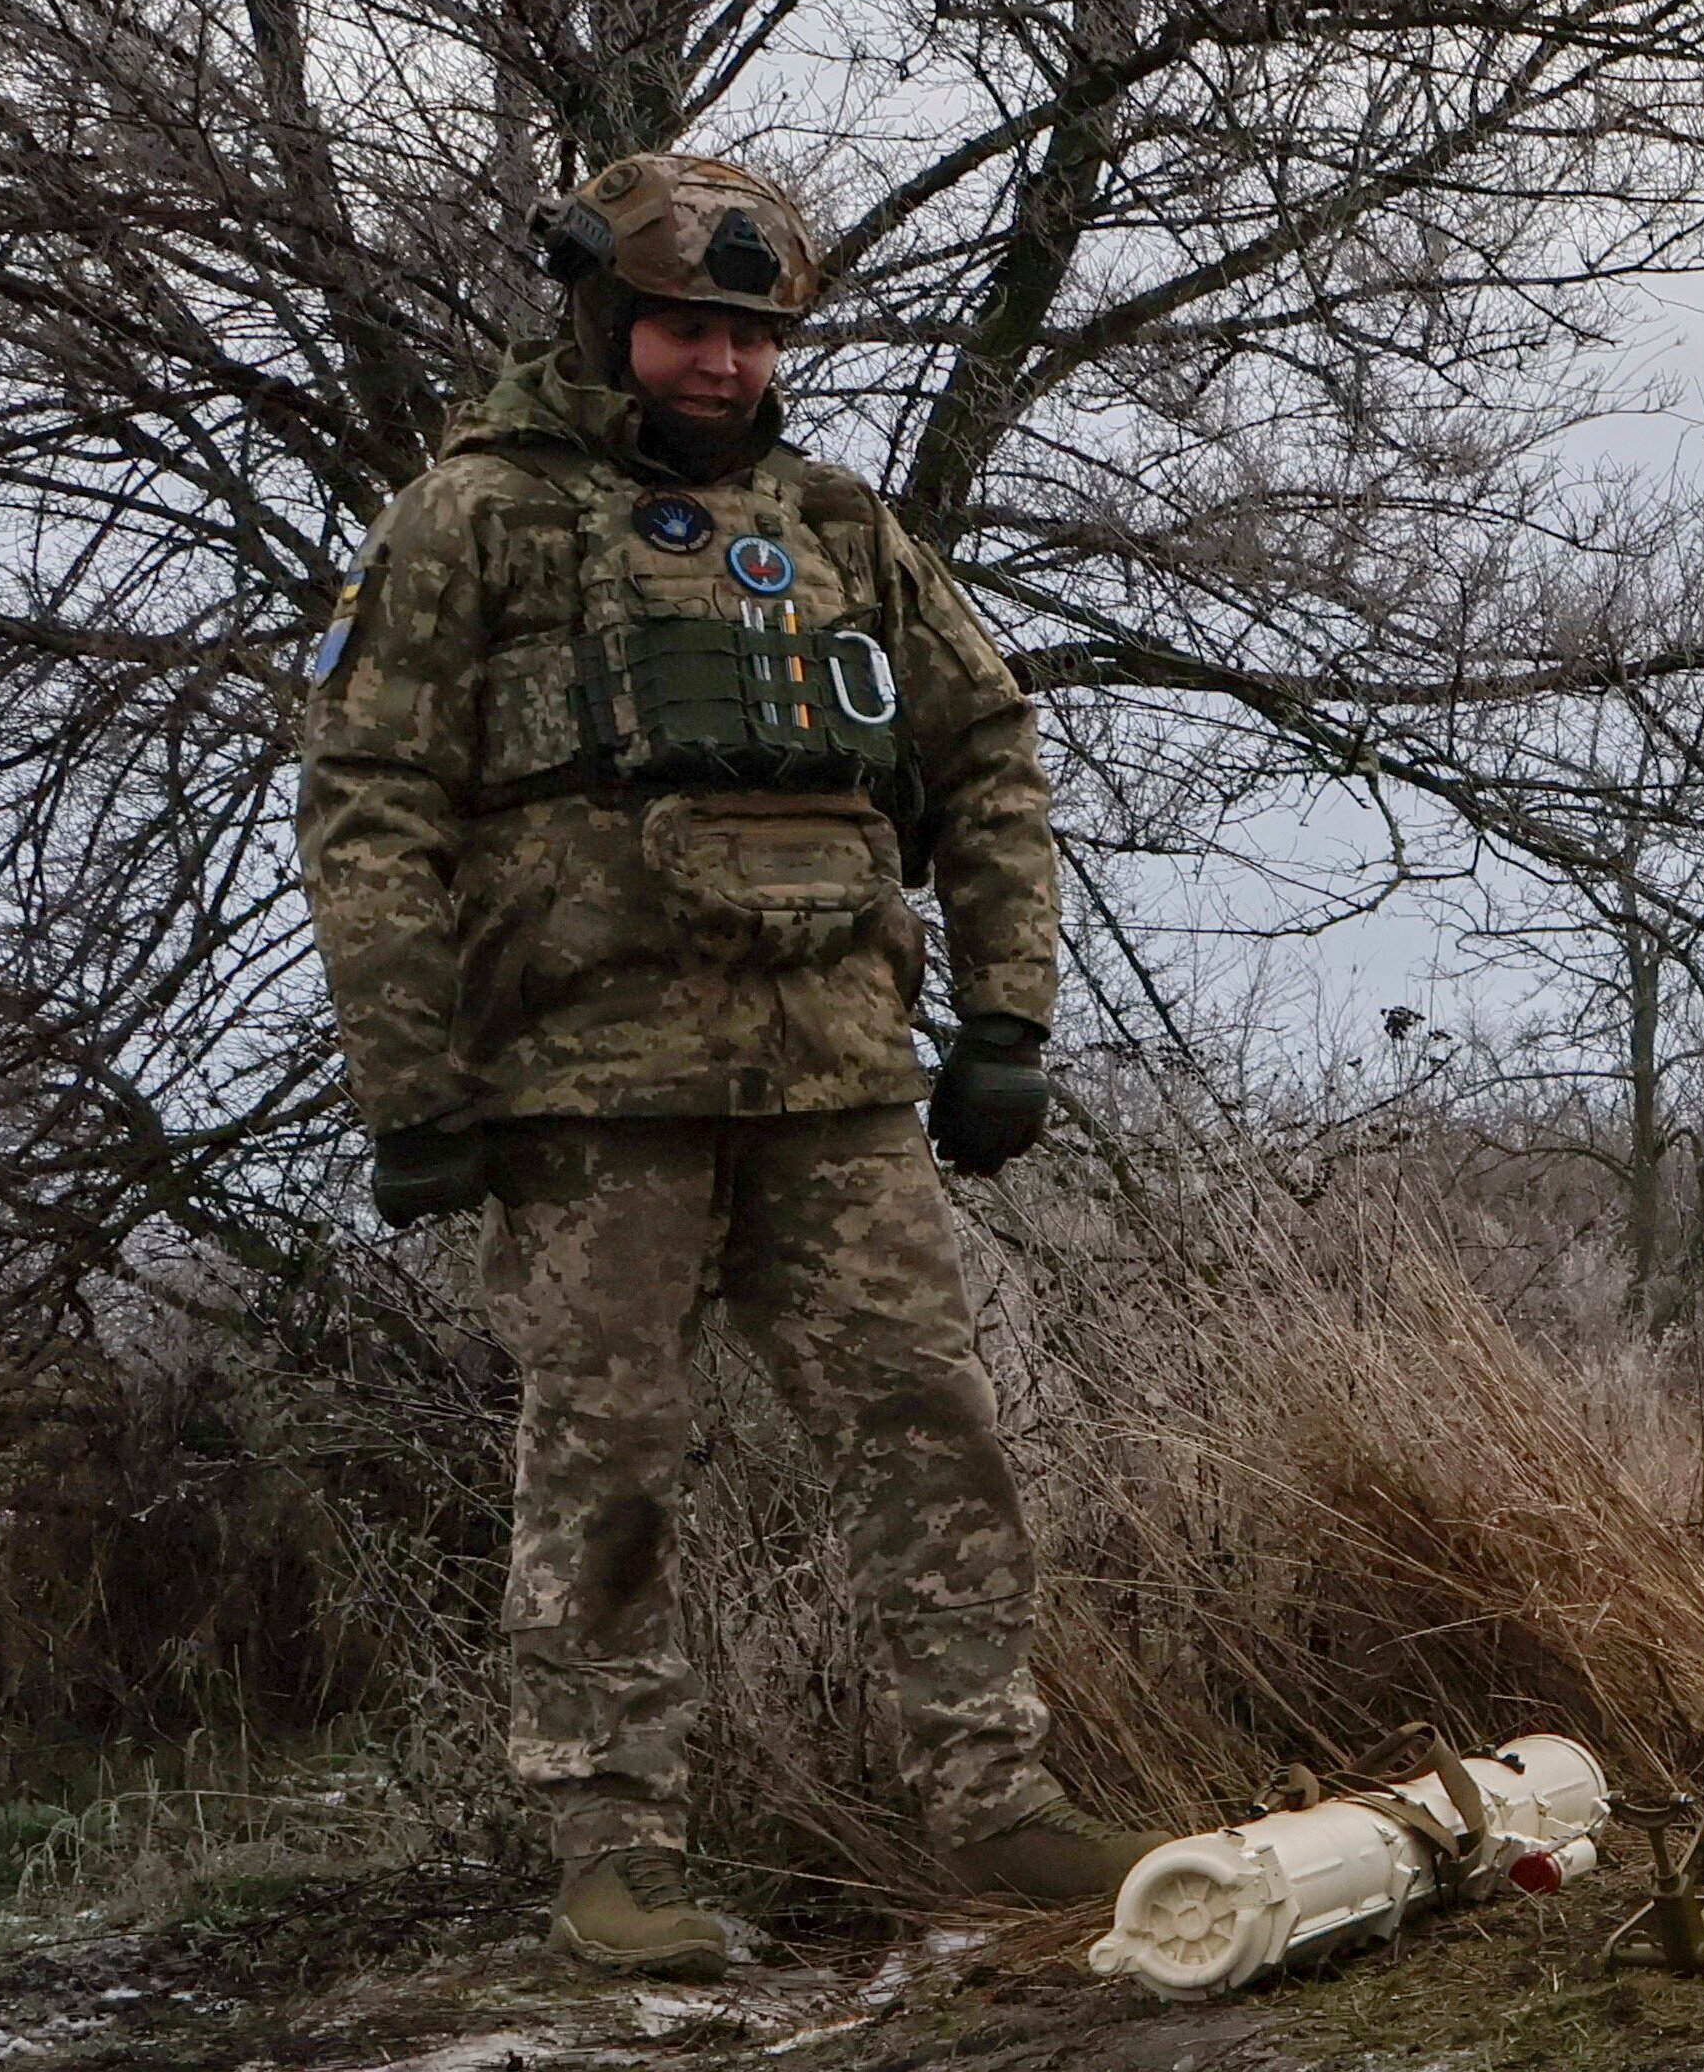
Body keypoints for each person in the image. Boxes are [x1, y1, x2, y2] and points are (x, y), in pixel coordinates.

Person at [294, 152, 1155, 1973]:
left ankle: (993, 1796)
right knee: (608, 1465)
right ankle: (615, 1847)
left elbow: (987, 755)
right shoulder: (473, 520)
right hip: (589, 1090)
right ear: (606, 317)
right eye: (689, 327)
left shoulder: (836, 526)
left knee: (931, 1430)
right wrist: (410, 1084)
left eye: (755, 338)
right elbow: (370, 798)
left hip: (835, 1074)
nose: (724, 365)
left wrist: (1005, 1018)